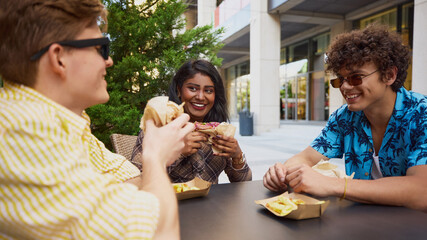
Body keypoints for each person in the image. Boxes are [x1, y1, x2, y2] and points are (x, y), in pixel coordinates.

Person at [0, 0, 194, 239]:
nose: (108, 61)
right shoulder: (20, 129)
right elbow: (158, 232)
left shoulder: (63, 121)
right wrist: (156, 156)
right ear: (59, 58)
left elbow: (133, 178)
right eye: (101, 48)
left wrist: (126, 192)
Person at [263, 24, 427, 211]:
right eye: (340, 79)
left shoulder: (422, 113)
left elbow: (422, 191)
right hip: (363, 224)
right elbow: (307, 157)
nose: (345, 87)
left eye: (356, 77)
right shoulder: (345, 117)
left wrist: (332, 185)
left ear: (389, 75)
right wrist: (282, 172)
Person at [131, 60, 252, 183]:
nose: (200, 96)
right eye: (193, 88)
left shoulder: (217, 131)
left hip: (213, 202)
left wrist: (237, 156)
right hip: (170, 201)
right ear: (179, 90)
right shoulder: (159, 127)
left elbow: (244, 183)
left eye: (208, 90)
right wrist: (179, 152)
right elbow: (136, 182)